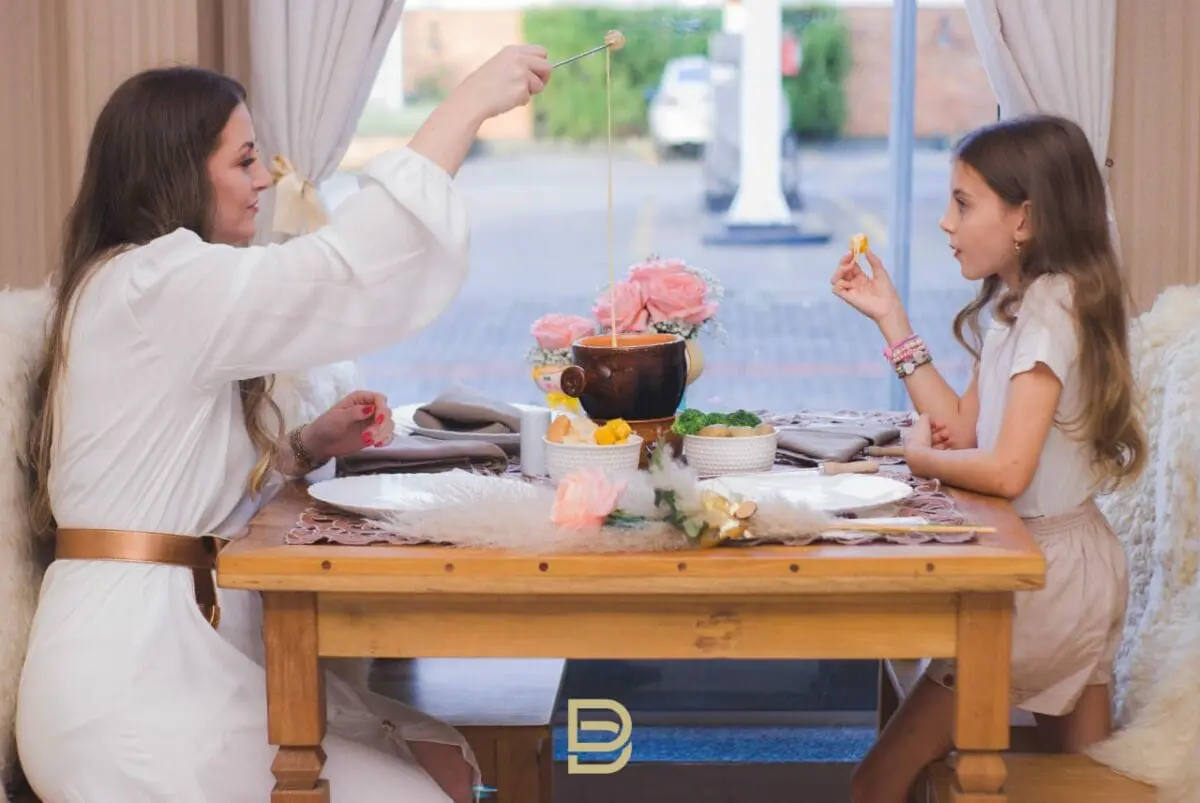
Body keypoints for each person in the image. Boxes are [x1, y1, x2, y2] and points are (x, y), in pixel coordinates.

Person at [15, 45, 552, 803]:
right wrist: (463, 107)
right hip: (131, 688)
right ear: (176, 170)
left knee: (445, 757)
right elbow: (340, 271)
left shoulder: (136, 283)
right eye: (243, 161)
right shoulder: (156, 280)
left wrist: (303, 449)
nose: (266, 178)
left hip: (176, 651)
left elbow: (173, 481)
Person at [831, 114, 1145, 803]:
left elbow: (1003, 469)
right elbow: (963, 428)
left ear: (1024, 218)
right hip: (1068, 565)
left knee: (876, 778)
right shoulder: (1024, 300)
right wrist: (892, 319)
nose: (946, 222)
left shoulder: (1050, 309)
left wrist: (920, 461)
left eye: (963, 203)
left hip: (1042, 579)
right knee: (1084, 775)